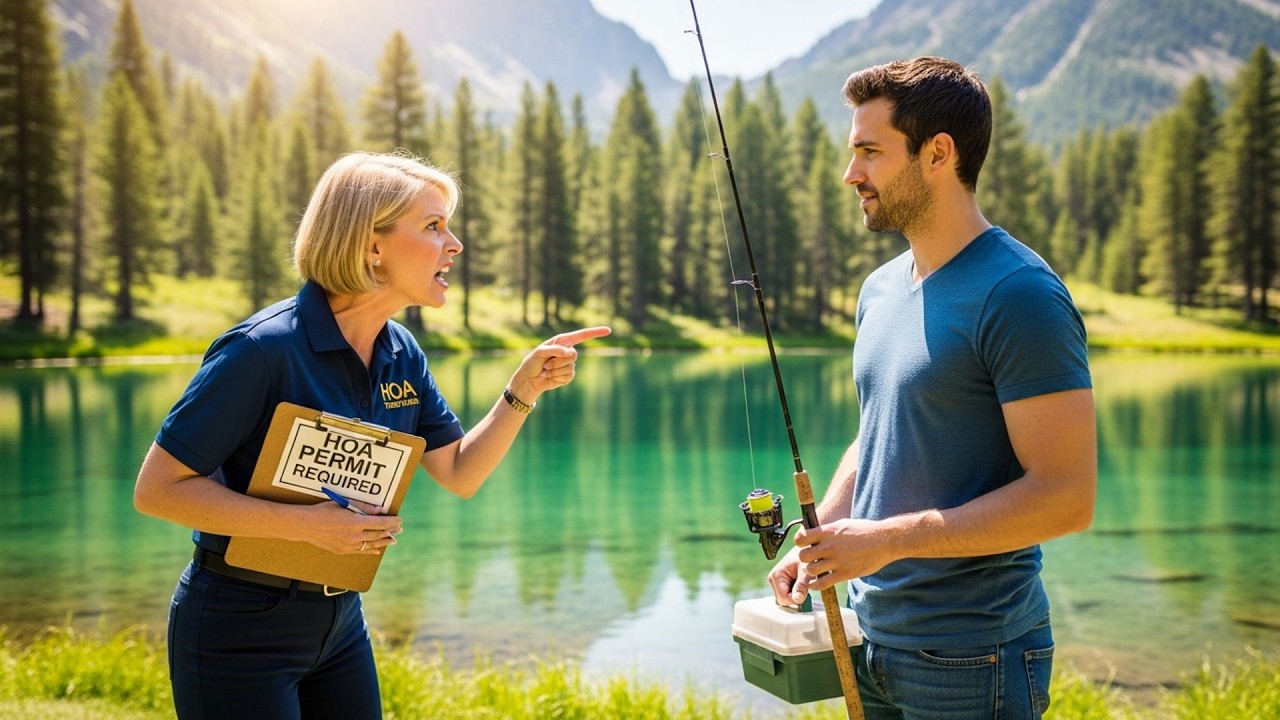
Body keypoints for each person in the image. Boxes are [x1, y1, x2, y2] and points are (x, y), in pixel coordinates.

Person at [134, 150, 610, 719]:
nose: (454, 244)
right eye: (433, 227)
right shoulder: (261, 350)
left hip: (339, 624)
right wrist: (309, 528)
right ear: (372, 246)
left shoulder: (400, 351)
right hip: (237, 626)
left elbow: (459, 473)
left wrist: (521, 392)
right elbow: (157, 490)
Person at [767, 57, 1096, 719]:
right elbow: (881, 433)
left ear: (938, 153)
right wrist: (824, 533)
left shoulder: (1020, 295)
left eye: (869, 151)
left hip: (976, 657)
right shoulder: (879, 289)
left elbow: (1066, 498)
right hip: (873, 638)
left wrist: (886, 540)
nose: (850, 173)